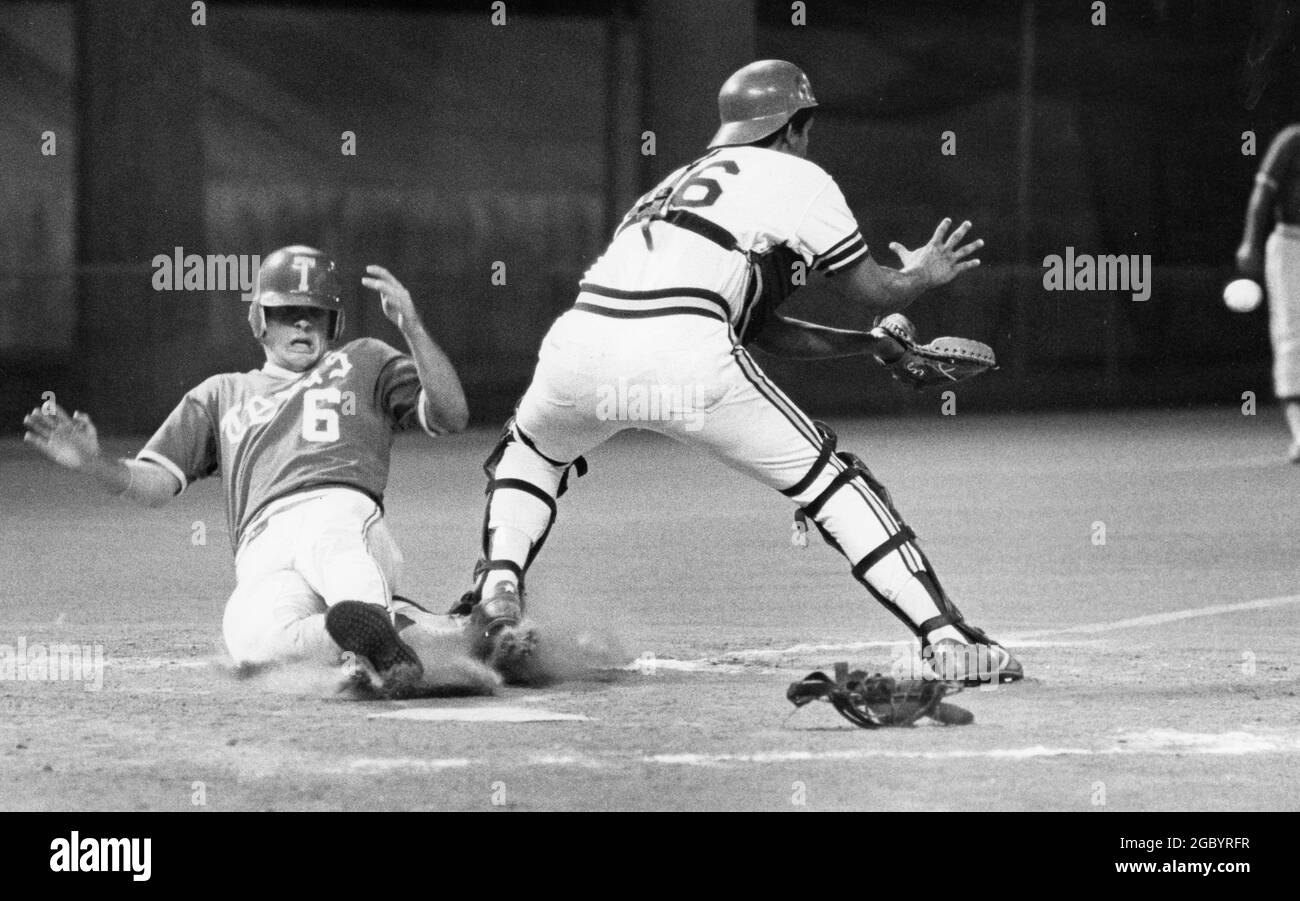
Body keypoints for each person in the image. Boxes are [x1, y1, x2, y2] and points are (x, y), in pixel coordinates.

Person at [453, 60, 1024, 686]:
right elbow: (871, 287)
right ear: (794, 125)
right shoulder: (798, 175)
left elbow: (755, 327)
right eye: (806, 125)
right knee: (832, 484)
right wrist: (923, 275)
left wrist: (869, 347)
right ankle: (947, 638)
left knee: (529, 456)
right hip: (684, 355)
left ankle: (498, 585)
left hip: (578, 347)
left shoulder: (666, 188)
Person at [22, 245, 472, 696]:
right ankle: (410, 632)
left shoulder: (364, 360)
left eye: (315, 314)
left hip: (339, 510)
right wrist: (92, 464)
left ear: (333, 324)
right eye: (287, 312)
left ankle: (382, 651)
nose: (302, 323)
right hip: (261, 545)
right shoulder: (219, 394)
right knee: (250, 642)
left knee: (331, 540)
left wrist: (411, 327)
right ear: (259, 319)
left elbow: (451, 415)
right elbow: (154, 484)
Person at [1237, 124, 1300, 462]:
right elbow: (1262, 194)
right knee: (1292, 337)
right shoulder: (1292, 140)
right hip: (1292, 245)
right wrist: (1250, 242)